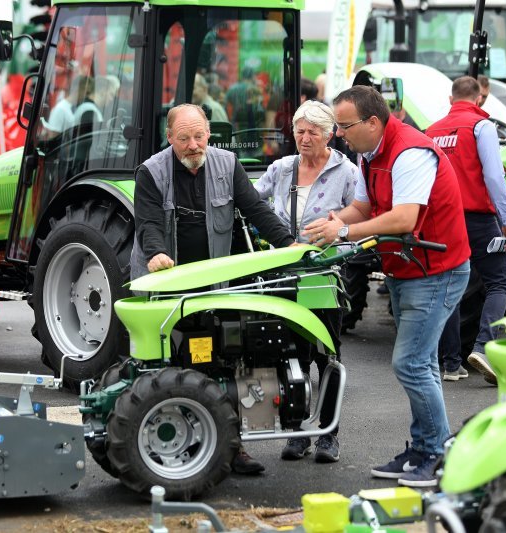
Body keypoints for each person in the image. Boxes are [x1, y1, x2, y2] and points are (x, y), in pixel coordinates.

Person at [303, 86, 470, 487]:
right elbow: (361, 207)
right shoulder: (371, 153)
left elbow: (404, 219)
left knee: (410, 363)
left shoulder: (410, 152)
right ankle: (425, 446)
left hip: (436, 270)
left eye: (344, 126)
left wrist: (343, 230)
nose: (339, 134)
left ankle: (436, 453)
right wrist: (322, 229)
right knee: (423, 363)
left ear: (372, 122)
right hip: (409, 269)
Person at [131, 103, 295, 474]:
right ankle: (179, 447)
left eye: (199, 135)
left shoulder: (227, 164)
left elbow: (256, 209)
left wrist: (287, 244)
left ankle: (232, 447)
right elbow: (148, 223)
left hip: (216, 281)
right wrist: (156, 253)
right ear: (169, 137)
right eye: (184, 138)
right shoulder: (151, 172)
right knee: (174, 364)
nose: (193, 145)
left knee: (228, 360)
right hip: (168, 285)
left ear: (209, 133)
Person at [254, 100, 359, 464]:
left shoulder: (346, 172)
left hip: (325, 274)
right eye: (299, 130)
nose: (304, 137)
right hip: (284, 272)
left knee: (326, 354)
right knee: (288, 352)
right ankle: (297, 433)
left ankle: (329, 435)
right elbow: (251, 202)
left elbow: (360, 217)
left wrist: (339, 232)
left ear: (329, 134)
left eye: (313, 131)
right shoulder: (282, 169)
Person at [426, 77, 506, 385]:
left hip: (440, 220)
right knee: (499, 283)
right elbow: (493, 176)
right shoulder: (482, 127)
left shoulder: (432, 131)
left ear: (451, 100)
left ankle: (451, 365)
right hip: (477, 219)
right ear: (478, 100)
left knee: (451, 287)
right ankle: (483, 348)